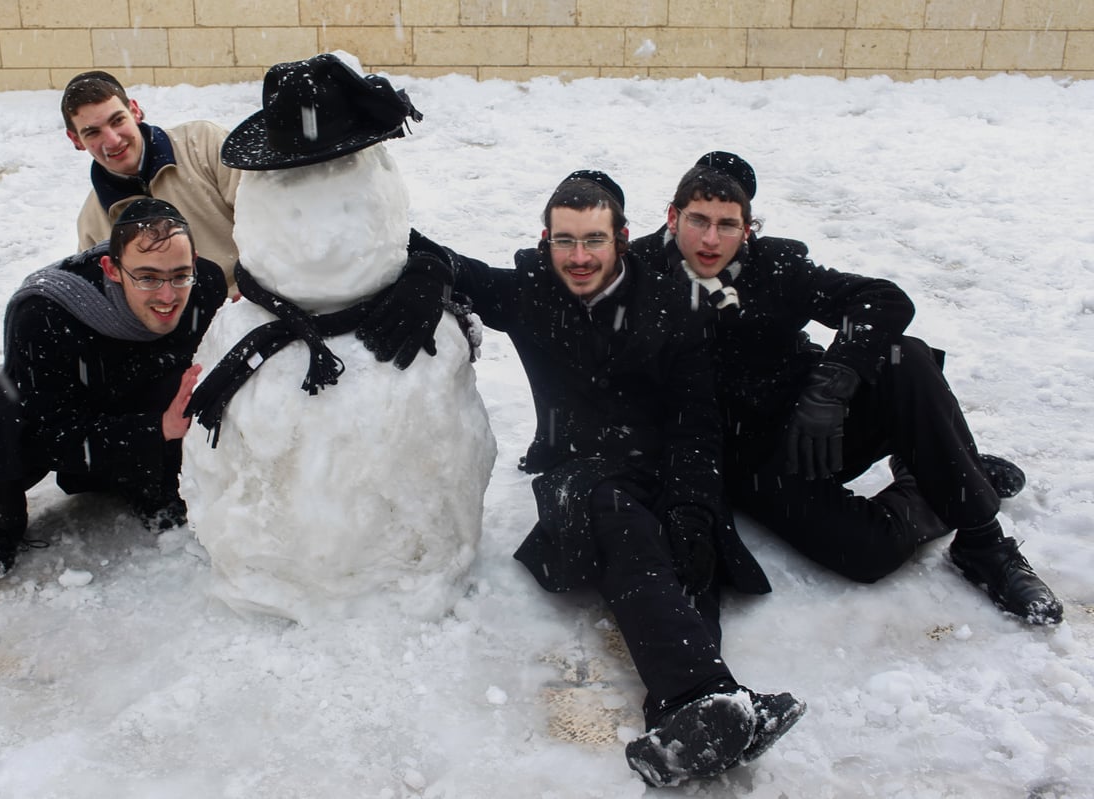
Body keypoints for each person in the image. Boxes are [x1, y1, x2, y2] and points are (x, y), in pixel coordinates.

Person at [443, 171, 804, 786]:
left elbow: (697, 424)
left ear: (623, 239)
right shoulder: (529, 291)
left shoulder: (670, 304)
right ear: (545, 240)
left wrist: (693, 507)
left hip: (662, 471)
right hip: (579, 477)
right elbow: (434, 256)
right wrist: (430, 271)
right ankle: (708, 696)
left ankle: (683, 722)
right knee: (617, 516)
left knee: (683, 555)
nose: (579, 257)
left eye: (593, 240)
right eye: (564, 241)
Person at [631, 152, 1063, 625]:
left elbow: (884, 300)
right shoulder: (634, 277)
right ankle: (944, 474)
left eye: (728, 224)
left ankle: (983, 543)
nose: (712, 239)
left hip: (820, 422)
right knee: (868, 554)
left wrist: (833, 384)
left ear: (748, 227)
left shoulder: (776, 265)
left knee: (905, 356)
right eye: (698, 220)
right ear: (673, 216)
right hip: (754, 462)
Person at [0, 198, 227, 580]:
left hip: (137, 404)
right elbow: (53, 435)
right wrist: (156, 429)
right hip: (67, 414)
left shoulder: (206, 284)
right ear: (111, 268)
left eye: (180, 275)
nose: (168, 296)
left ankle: (149, 488)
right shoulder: (42, 313)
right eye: (147, 278)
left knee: (186, 378)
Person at [61, 70, 241, 292]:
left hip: (256, 299)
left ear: (135, 111)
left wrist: (251, 290)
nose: (113, 141)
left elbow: (269, 219)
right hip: (177, 322)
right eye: (92, 133)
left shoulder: (205, 144)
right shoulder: (92, 223)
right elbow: (106, 300)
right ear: (76, 140)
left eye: (117, 121)